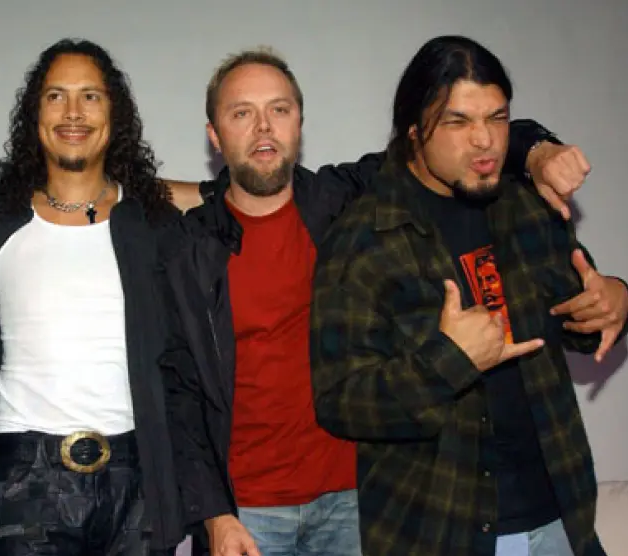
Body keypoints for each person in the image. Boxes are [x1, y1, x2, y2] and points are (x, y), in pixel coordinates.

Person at [157, 47, 592, 556]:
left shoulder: (343, 200)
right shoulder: (189, 249)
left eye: (279, 109)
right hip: (248, 512)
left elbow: (449, 139)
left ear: (300, 122)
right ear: (215, 134)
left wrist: (536, 149)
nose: (264, 127)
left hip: (358, 502)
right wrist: (214, 514)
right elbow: (181, 393)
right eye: (241, 113)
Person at [310, 35, 628, 556]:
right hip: (440, 532)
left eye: (497, 118)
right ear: (414, 130)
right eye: (458, 122)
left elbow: (581, 316)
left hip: (561, 518)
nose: (485, 140)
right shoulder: (364, 238)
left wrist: (618, 301)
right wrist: (449, 362)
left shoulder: (527, 207)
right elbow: (340, 403)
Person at [0, 39, 186, 555]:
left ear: (115, 113)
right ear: (36, 114)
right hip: (23, 477)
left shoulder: (154, 225)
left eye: (90, 96)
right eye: (56, 96)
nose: (73, 112)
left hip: (140, 480)